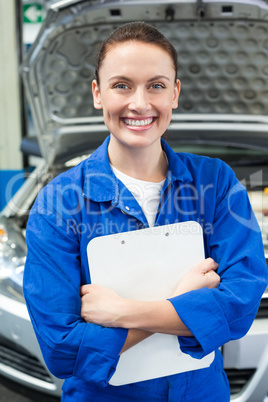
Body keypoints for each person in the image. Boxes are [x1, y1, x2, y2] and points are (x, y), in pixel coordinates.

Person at [23, 22, 268, 401]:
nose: (140, 103)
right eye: (122, 85)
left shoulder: (216, 182)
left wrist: (122, 312)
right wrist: (184, 304)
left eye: (156, 85)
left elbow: (239, 306)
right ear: (97, 94)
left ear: (175, 93)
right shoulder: (57, 204)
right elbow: (61, 350)